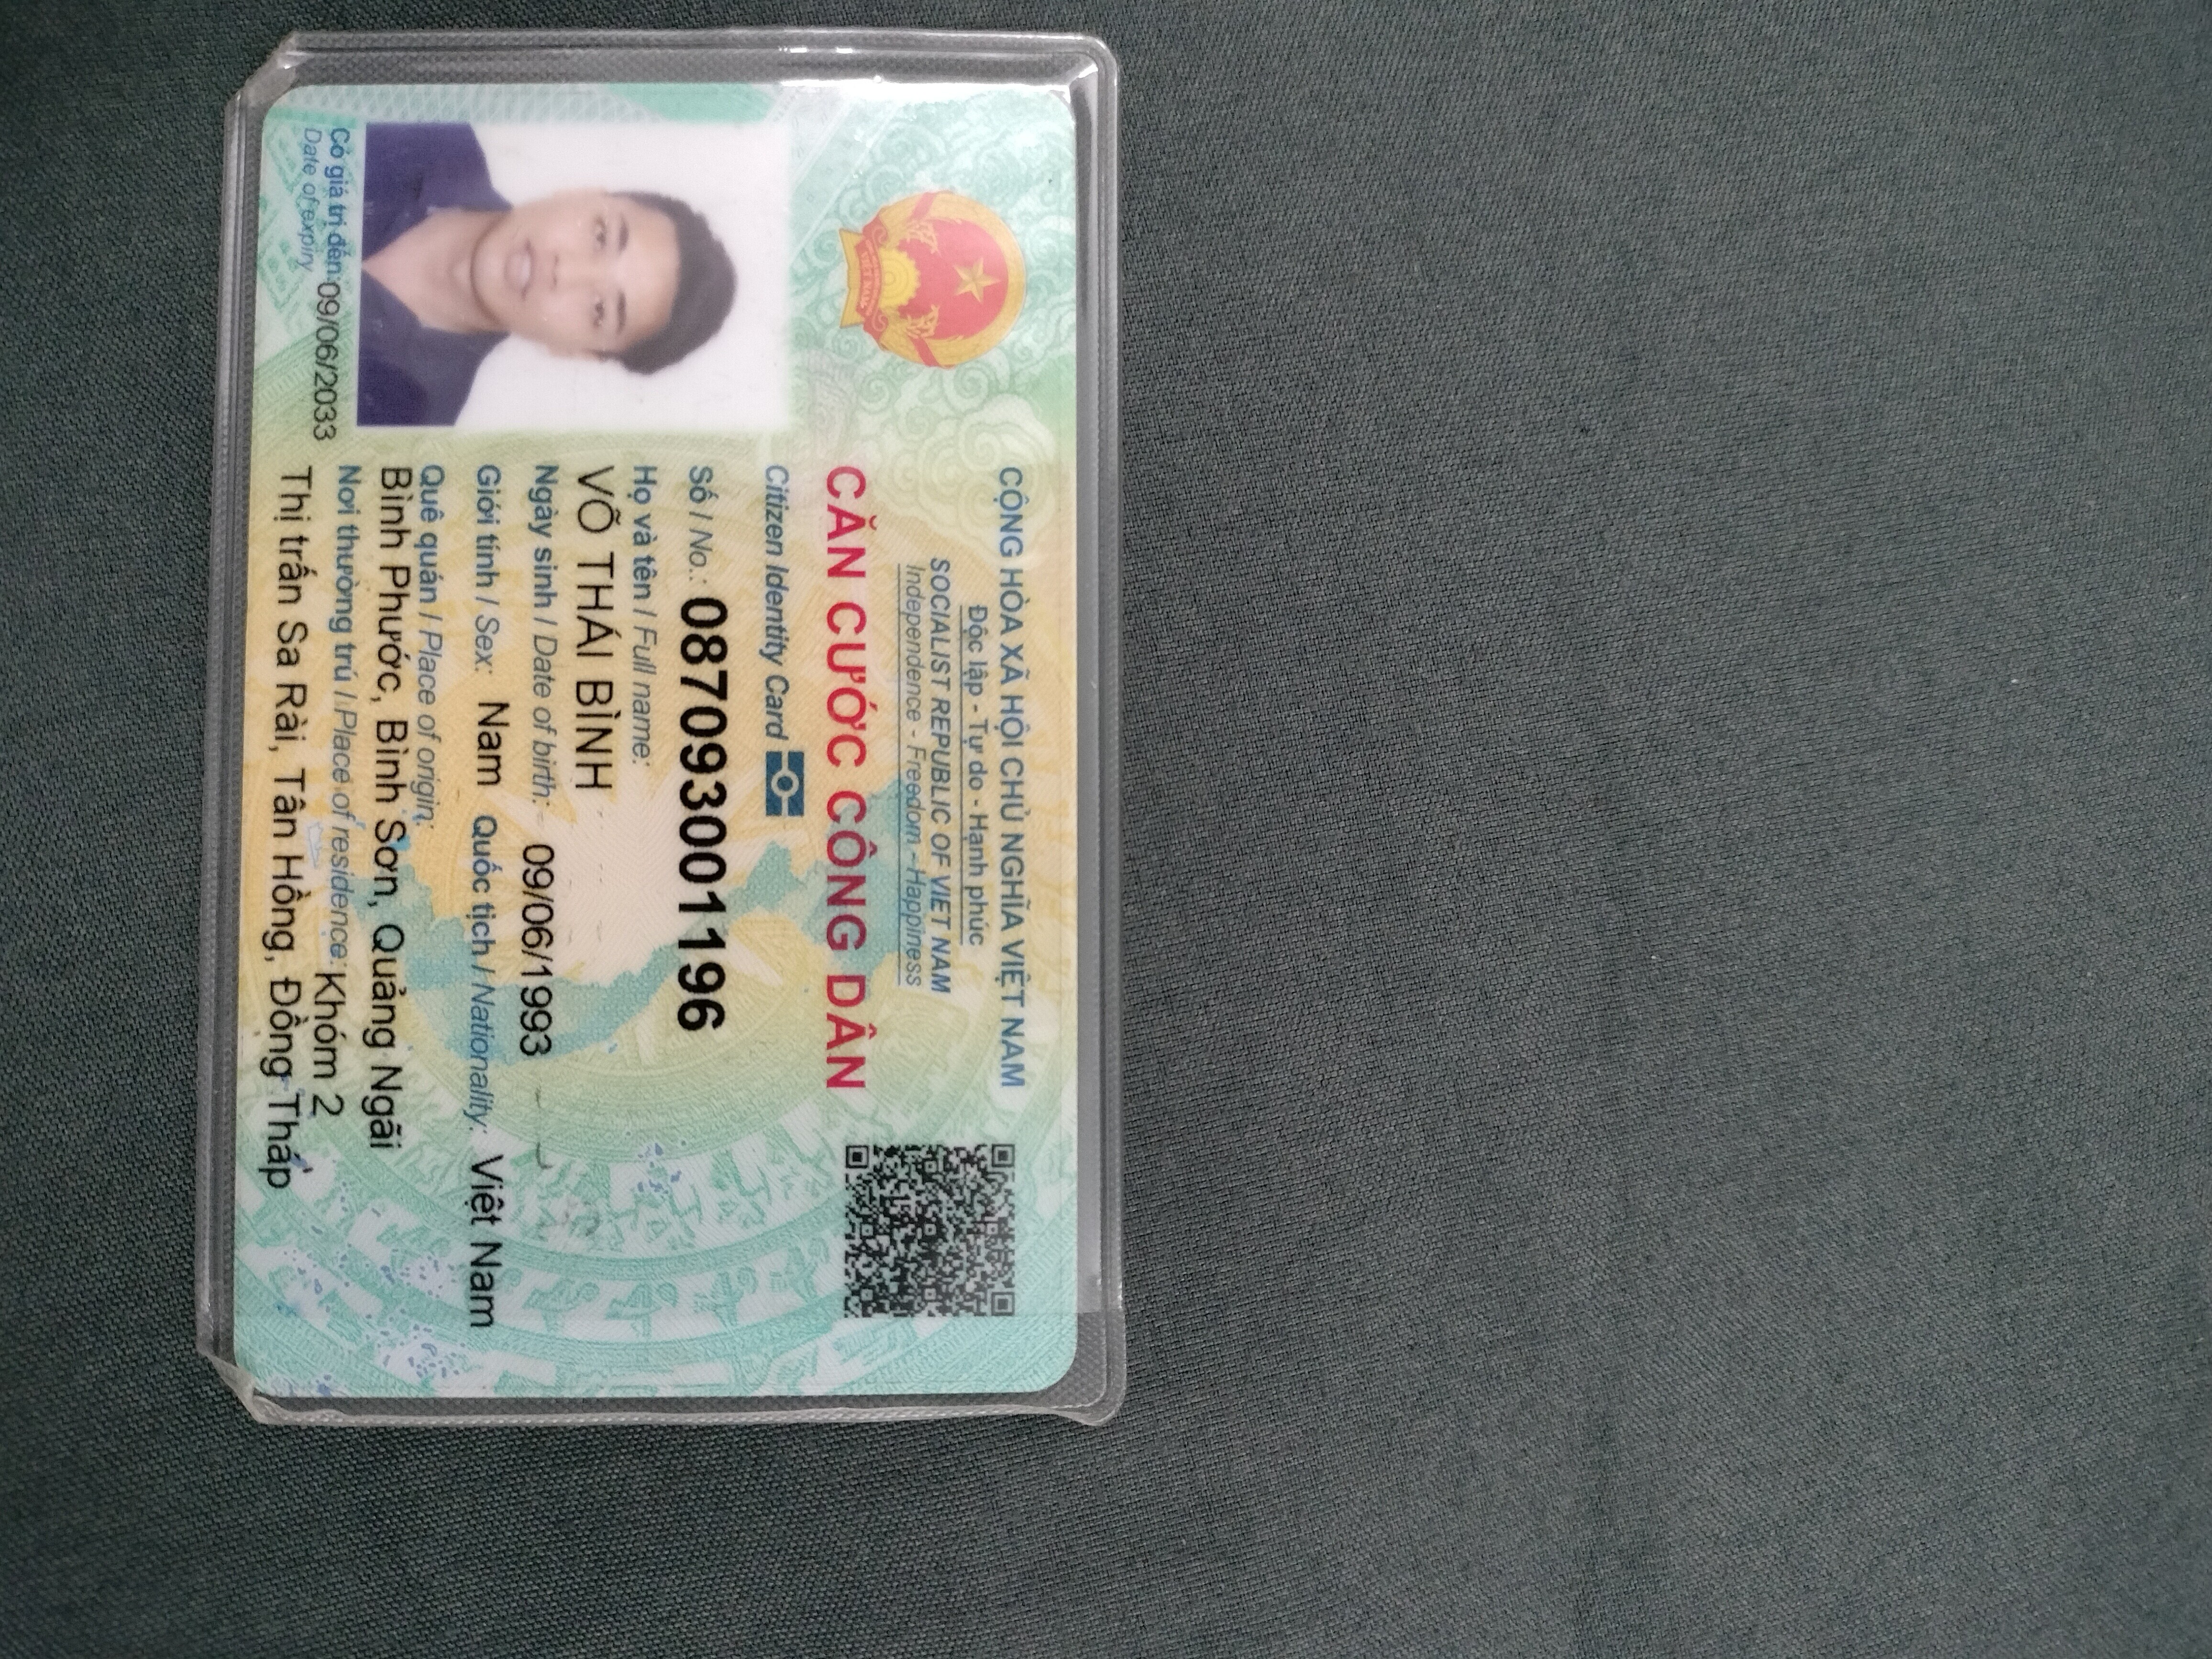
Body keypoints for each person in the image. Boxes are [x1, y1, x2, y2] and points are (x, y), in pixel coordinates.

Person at [356, 124, 738, 426]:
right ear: (578, 193)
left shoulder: (408, 421)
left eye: (600, 310)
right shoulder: (415, 123)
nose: (565, 271)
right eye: (600, 236)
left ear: (575, 352)